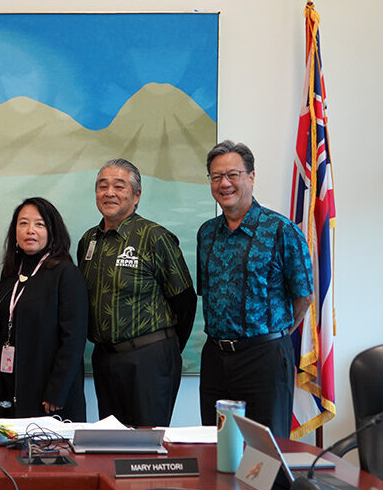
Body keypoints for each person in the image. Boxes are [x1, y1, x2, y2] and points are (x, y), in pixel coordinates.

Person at [197, 140, 313, 439]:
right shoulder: (207, 233)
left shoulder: (281, 230)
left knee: (266, 455)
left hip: (264, 357)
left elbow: (304, 295)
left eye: (233, 175)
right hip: (215, 358)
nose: (224, 183)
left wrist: (277, 334)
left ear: (251, 176)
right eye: (216, 176)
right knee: (217, 447)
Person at [77, 159, 196, 427]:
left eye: (119, 186)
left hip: (149, 357)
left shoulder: (154, 237)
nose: (109, 193)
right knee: (112, 443)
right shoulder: (88, 240)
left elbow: (185, 299)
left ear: (136, 194)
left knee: (147, 444)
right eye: (102, 186)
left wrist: (168, 349)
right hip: (104, 358)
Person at [0, 197, 88, 421]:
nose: (30, 230)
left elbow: (74, 340)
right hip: (10, 388)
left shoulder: (66, 274)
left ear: (53, 232)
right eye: (23, 223)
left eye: (39, 224)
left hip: (49, 397)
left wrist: (57, 391)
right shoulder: (10, 273)